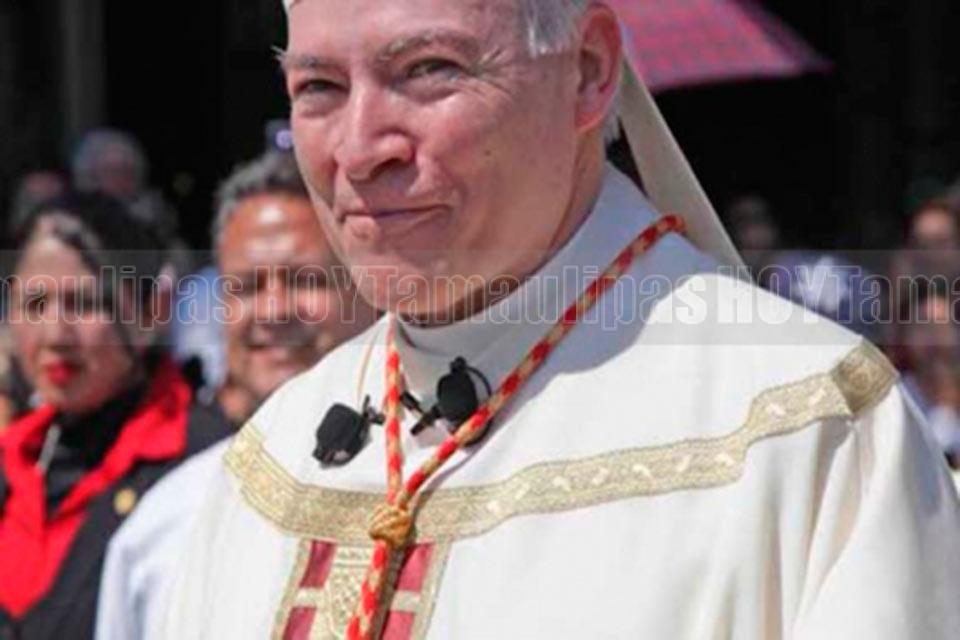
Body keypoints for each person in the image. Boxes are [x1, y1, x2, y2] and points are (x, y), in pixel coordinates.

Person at [163, 2, 960, 638]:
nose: (361, 148)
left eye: (429, 69)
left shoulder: (807, 429)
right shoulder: (272, 462)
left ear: (587, 71)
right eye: (319, 88)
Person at [95, 151, 378, 640]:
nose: (273, 311)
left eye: (306, 281)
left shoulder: (436, 486)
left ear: (369, 292)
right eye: (246, 287)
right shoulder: (162, 524)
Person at [0, 193, 231, 639]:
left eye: (86, 303)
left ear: (150, 312)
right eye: (35, 304)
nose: (55, 334)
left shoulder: (207, 462)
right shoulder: (13, 459)